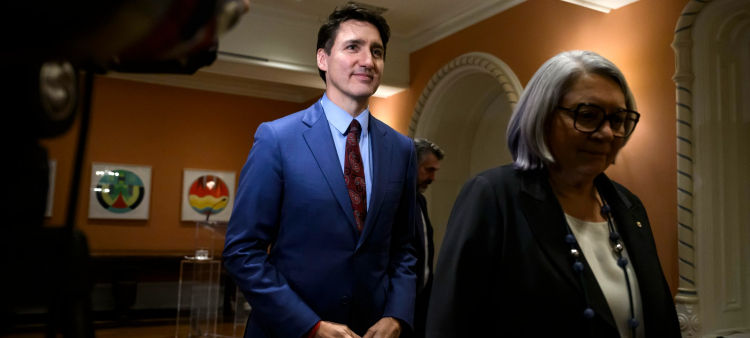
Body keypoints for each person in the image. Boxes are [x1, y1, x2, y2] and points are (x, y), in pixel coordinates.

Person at [426, 50, 681, 337]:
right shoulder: (493, 197)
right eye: (587, 115)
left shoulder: (628, 204)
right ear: (541, 116)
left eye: (618, 119)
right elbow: (450, 323)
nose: (607, 133)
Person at [222, 4, 418, 338]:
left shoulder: (402, 149)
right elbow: (243, 251)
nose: (368, 61)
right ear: (323, 59)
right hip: (288, 330)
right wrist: (310, 326)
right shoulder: (277, 138)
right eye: (353, 47)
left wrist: (397, 316)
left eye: (377, 51)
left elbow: (404, 250)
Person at [406, 138, 443, 338]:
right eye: (429, 170)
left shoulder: (420, 201)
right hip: (399, 303)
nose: (433, 177)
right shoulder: (393, 201)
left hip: (421, 301)